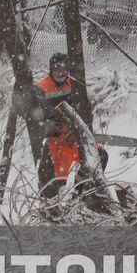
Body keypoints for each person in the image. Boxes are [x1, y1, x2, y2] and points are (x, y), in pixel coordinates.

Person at [34, 53, 107, 182]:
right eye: (56, 70)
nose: (60, 73)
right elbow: (37, 112)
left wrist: (82, 126)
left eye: (62, 69)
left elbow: (84, 107)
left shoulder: (74, 84)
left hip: (74, 132)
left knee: (100, 155)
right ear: (51, 70)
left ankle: (82, 184)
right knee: (55, 174)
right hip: (55, 137)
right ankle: (65, 189)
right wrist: (49, 122)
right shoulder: (41, 87)